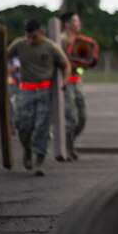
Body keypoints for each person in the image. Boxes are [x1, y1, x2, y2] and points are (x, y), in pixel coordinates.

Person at [8, 19, 70, 176]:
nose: (31, 40)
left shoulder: (51, 47)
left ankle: (39, 161)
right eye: (28, 36)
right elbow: (4, 55)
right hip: (26, 90)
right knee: (23, 124)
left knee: (42, 126)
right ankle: (27, 149)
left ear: (41, 33)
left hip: (44, 90)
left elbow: (65, 65)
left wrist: (65, 82)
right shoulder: (20, 44)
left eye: (34, 37)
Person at [60, 12, 97, 160]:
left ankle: (70, 143)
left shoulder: (80, 41)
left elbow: (83, 63)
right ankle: (66, 147)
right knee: (71, 119)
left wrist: (89, 62)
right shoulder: (61, 40)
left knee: (82, 117)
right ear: (67, 24)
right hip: (66, 83)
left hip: (77, 81)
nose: (78, 23)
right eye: (75, 20)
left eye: (78, 20)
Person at [7, 56, 21, 134]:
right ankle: (13, 127)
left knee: (21, 106)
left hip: (24, 83)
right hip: (13, 83)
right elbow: (9, 69)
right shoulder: (11, 57)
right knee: (11, 105)